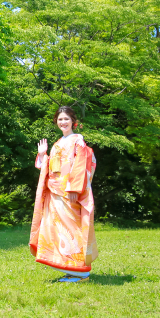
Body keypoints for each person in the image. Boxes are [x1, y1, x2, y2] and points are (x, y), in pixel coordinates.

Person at [29, 106, 98, 283]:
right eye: (60, 119)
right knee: (59, 230)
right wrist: (43, 154)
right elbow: (50, 167)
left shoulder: (78, 141)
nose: (63, 122)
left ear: (73, 121)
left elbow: (81, 165)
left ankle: (81, 271)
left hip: (69, 192)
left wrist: (75, 189)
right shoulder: (58, 143)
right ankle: (70, 268)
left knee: (72, 228)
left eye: (66, 119)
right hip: (55, 192)